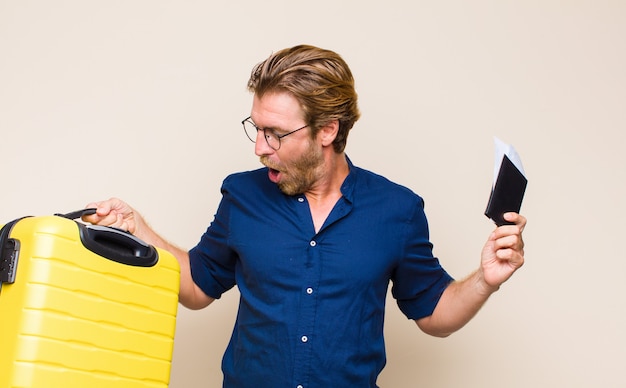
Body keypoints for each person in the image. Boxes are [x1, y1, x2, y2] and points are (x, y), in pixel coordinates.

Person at [83, 44, 526, 387]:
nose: (259, 147)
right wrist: (139, 229)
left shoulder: (398, 209)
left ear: (328, 130)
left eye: (275, 134)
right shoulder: (241, 195)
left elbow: (435, 313)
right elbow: (197, 286)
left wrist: (485, 279)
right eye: (256, 129)